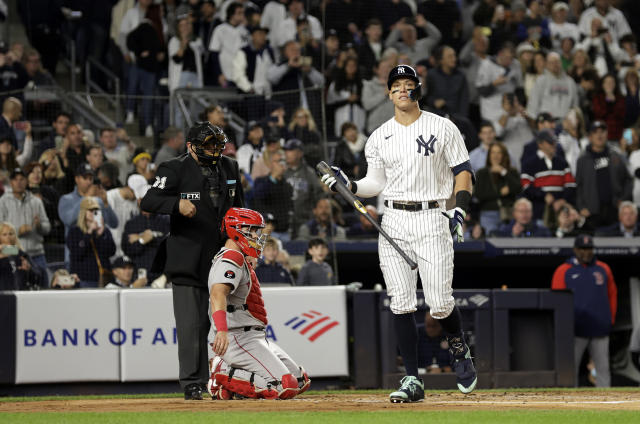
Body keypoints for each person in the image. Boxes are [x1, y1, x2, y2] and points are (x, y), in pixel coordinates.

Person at [319, 64, 477, 401]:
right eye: (396, 86)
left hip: (433, 216)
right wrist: (348, 183)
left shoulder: (443, 127)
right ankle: (412, 380)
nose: (402, 90)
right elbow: (374, 183)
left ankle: (459, 347)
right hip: (393, 221)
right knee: (401, 303)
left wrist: (459, 209)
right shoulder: (379, 136)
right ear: (388, 93)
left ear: (419, 88)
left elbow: (463, 171)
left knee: (439, 303)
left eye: (408, 84)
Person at [140, 122, 244, 400]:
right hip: (188, 259)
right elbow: (148, 201)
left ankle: (233, 379)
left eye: (216, 144)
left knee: (232, 323)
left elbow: (241, 210)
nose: (214, 150)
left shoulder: (231, 168)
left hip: (223, 256)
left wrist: (243, 249)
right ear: (190, 146)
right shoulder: (173, 168)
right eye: (208, 145)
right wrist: (175, 205)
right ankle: (193, 382)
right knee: (193, 325)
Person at [206, 207, 310, 399]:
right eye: (252, 230)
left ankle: (231, 385)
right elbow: (217, 294)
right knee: (285, 386)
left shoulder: (239, 257)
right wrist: (221, 330)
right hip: (237, 337)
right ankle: (222, 372)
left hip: (254, 336)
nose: (256, 236)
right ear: (237, 230)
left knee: (300, 380)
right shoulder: (231, 257)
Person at [552, 234, 617, 387]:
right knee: (570, 369)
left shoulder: (603, 268)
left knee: (603, 369)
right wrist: (562, 326)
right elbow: (557, 301)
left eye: (589, 249)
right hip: (575, 329)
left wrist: (610, 319)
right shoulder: (564, 270)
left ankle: (606, 403)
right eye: (582, 249)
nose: (586, 253)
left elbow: (612, 295)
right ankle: (569, 403)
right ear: (575, 250)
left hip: (599, 328)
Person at [576, 121, 632, 228]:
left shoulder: (615, 156)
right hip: (592, 212)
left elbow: (628, 180)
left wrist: (624, 200)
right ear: (590, 137)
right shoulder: (583, 160)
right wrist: (581, 207)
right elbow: (578, 186)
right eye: (595, 132)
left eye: (602, 132)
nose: (599, 135)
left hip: (614, 210)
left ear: (607, 135)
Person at [0, 167, 50, 280]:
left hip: (37, 253)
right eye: (15, 179)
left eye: (22, 179)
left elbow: (47, 228)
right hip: (12, 253)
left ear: (26, 181)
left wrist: (39, 226)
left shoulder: (36, 201)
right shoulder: (3, 202)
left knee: (43, 289)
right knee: (16, 289)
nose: (18, 182)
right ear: (11, 182)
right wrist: (18, 231)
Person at [520, 130, 576, 225]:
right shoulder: (529, 164)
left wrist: (563, 200)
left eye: (554, 142)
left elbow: (571, 184)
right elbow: (526, 186)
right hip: (539, 212)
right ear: (540, 144)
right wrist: (543, 195)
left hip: (561, 213)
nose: (553, 145)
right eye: (550, 142)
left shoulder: (562, 162)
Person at [122, 178, 170, 282]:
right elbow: (128, 250)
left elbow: (169, 246)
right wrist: (142, 240)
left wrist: (151, 236)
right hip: (139, 275)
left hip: (162, 276)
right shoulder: (132, 224)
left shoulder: (165, 220)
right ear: (139, 200)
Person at [66, 196, 117, 288]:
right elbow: (77, 253)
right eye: (90, 210)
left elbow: (111, 252)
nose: (94, 213)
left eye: (96, 210)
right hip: (83, 278)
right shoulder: (75, 231)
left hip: (102, 278)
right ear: (83, 212)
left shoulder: (104, 231)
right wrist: (89, 233)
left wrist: (101, 234)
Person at [474, 142, 521, 234]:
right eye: (493, 153)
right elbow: (479, 194)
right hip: (488, 214)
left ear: (504, 155)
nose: (495, 156)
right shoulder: (482, 173)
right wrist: (500, 193)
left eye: (499, 153)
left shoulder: (511, 172)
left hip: (509, 214)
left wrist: (503, 172)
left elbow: (518, 188)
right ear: (489, 155)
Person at [282, 139, 323, 239]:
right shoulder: (282, 172)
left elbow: (318, 195)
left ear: (300, 153)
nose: (287, 153)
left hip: (304, 219)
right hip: (285, 219)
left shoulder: (309, 173)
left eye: (291, 150)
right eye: (286, 150)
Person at [252, 149, 293, 239]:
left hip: (284, 231)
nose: (281, 164)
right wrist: (273, 177)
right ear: (270, 164)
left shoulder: (287, 185)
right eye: (278, 161)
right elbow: (259, 196)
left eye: (283, 161)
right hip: (266, 231)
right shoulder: (260, 181)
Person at [526, 52, 579, 121]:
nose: (555, 65)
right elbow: (533, 103)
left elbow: (575, 105)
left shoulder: (570, 82)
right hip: (546, 121)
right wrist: (534, 119)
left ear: (561, 63)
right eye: (551, 62)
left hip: (566, 122)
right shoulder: (541, 80)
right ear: (547, 64)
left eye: (557, 62)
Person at [0, 221, 42, 290]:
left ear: (15, 236)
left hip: (21, 294)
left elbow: (38, 276)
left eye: (11, 234)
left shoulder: (21, 254)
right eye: (4, 234)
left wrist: (29, 269)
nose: (8, 237)